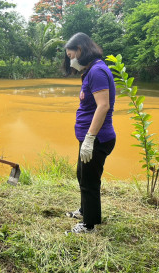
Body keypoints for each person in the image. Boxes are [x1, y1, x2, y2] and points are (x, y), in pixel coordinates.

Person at [63, 33, 116, 234]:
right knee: (82, 175)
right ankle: (86, 210)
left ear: (81, 50)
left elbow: (103, 106)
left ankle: (89, 224)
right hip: (89, 137)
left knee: (90, 181)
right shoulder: (90, 71)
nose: (71, 60)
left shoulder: (97, 72)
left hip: (97, 138)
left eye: (71, 56)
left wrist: (90, 138)